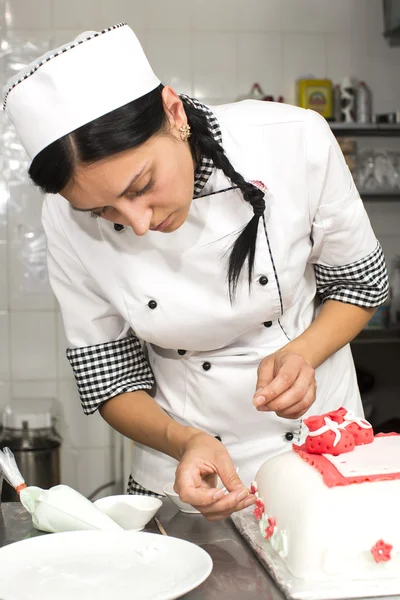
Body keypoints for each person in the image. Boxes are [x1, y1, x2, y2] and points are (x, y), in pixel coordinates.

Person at [4, 23, 388, 521]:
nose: (139, 224)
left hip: (319, 455)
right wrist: (183, 441)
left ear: (173, 111)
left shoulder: (293, 139)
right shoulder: (64, 218)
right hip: (183, 478)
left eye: (142, 184)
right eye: (104, 213)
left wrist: (305, 353)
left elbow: (359, 283)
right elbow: (109, 377)